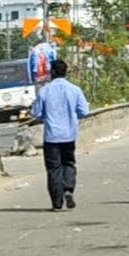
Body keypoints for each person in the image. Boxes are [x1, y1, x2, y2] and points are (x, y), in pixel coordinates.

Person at [30, 59, 90, 211]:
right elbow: (84, 111)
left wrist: (44, 116)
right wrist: (72, 115)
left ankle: (57, 203)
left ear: (52, 72)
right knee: (69, 163)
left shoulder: (44, 91)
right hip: (69, 135)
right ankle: (68, 189)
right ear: (65, 72)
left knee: (53, 168)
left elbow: (37, 114)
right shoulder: (75, 90)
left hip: (51, 137)